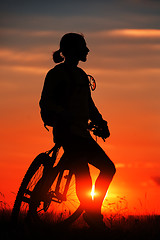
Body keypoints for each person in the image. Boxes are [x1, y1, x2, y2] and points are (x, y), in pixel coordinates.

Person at [39, 33, 116, 228]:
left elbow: (89, 105)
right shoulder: (56, 74)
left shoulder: (81, 75)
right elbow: (45, 102)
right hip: (67, 132)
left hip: (81, 133)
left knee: (108, 168)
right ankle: (93, 217)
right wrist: (63, 114)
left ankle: (93, 211)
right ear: (73, 50)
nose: (87, 50)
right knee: (84, 175)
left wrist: (101, 122)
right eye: (84, 46)